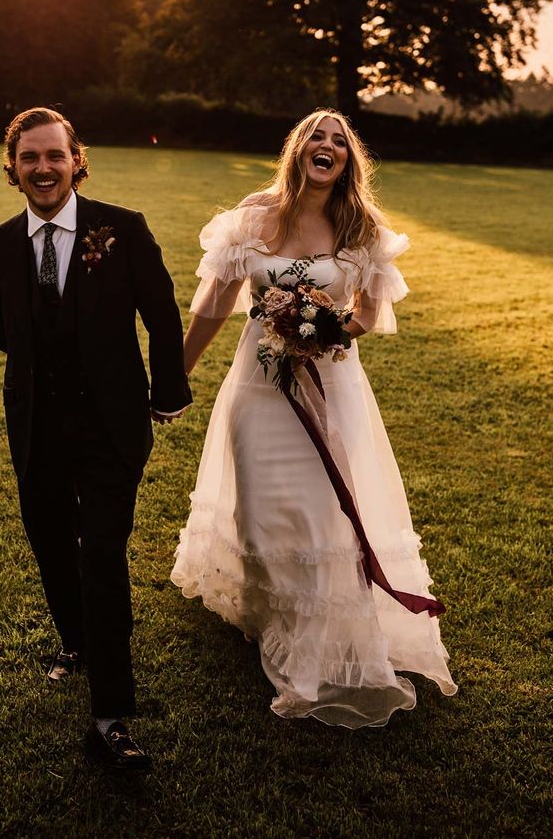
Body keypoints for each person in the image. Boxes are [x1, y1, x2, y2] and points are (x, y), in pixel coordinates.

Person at [171, 109, 457, 728]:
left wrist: (322, 327)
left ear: (349, 160)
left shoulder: (360, 227)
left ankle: (309, 626)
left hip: (330, 387)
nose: (325, 147)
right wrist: (175, 375)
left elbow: (371, 314)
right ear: (297, 150)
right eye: (315, 138)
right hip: (257, 386)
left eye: (338, 142)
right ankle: (268, 612)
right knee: (262, 501)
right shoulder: (253, 217)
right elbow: (215, 306)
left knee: (320, 505)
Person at [0, 107, 191, 770]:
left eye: (55, 155)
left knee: (101, 555)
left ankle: (111, 719)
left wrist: (166, 393)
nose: (43, 167)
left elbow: (161, 314)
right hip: (38, 422)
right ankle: (76, 641)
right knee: (48, 537)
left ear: (77, 159)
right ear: (12, 167)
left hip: (110, 425)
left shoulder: (120, 230)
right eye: (29, 157)